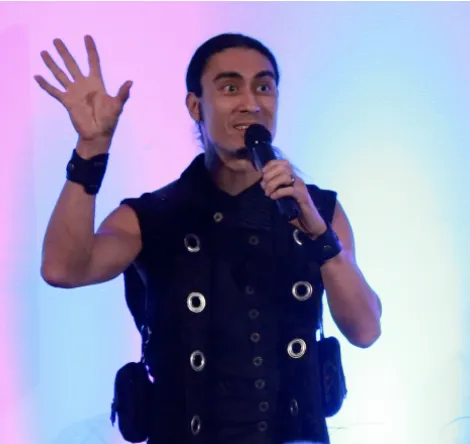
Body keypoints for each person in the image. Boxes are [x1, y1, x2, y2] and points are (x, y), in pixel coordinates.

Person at [37, 33, 382, 444]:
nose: (251, 103)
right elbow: (63, 268)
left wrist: (322, 240)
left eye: (264, 87)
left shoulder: (317, 210)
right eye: (230, 88)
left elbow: (366, 330)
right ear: (195, 106)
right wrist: (91, 150)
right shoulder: (153, 216)